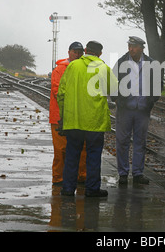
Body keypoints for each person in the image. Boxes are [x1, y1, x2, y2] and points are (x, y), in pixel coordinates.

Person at [57, 40, 118, 197]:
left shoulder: (72, 66)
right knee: (93, 155)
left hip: (74, 120)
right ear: (100, 53)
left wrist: (63, 116)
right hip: (95, 121)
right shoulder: (103, 68)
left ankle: (68, 189)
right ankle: (92, 189)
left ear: (85, 50)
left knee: (72, 155)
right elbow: (115, 90)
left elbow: (61, 93)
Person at [112, 36, 161, 185]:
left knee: (140, 142)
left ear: (141, 48)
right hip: (125, 109)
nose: (131, 49)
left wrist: (152, 100)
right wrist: (117, 100)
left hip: (142, 110)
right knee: (122, 141)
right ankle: (123, 174)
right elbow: (113, 83)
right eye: (129, 46)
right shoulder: (121, 62)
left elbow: (158, 84)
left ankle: (138, 173)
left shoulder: (152, 64)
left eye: (133, 46)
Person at [49, 41, 86, 186]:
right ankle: (58, 178)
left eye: (79, 52)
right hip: (59, 116)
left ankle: (81, 176)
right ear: (69, 52)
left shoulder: (82, 68)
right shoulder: (59, 70)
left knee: (82, 148)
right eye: (75, 52)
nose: (77, 55)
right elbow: (57, 91)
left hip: (77, 116)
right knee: (60, 150)